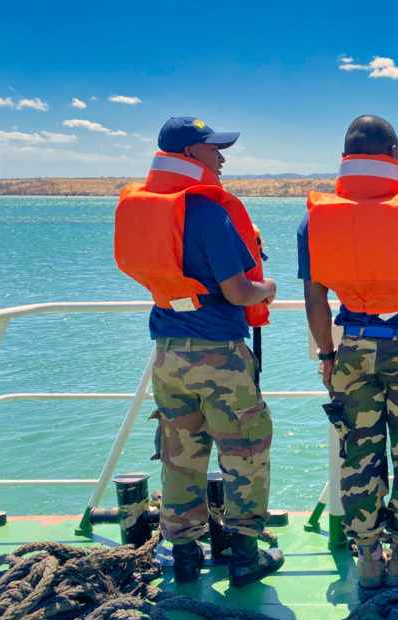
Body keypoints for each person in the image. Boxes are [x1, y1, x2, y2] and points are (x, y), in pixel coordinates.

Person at [114, 116, 283, 587]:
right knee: (245, 451)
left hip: (167, 354)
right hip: (219, 356)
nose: (221, 157)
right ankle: (245, 557)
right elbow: (239, 291)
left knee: (180, 456)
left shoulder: (145, 210)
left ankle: (185, 556)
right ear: (190, 153)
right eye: (214, 148)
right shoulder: (209, 212)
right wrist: (268, 287)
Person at [301, 115, 398, 588]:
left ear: (345, 156)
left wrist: (327, 355)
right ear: (394, 154)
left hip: (351, 352)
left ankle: (368, 557)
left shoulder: (315, 220)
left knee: (358, 454)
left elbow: (315, 301)